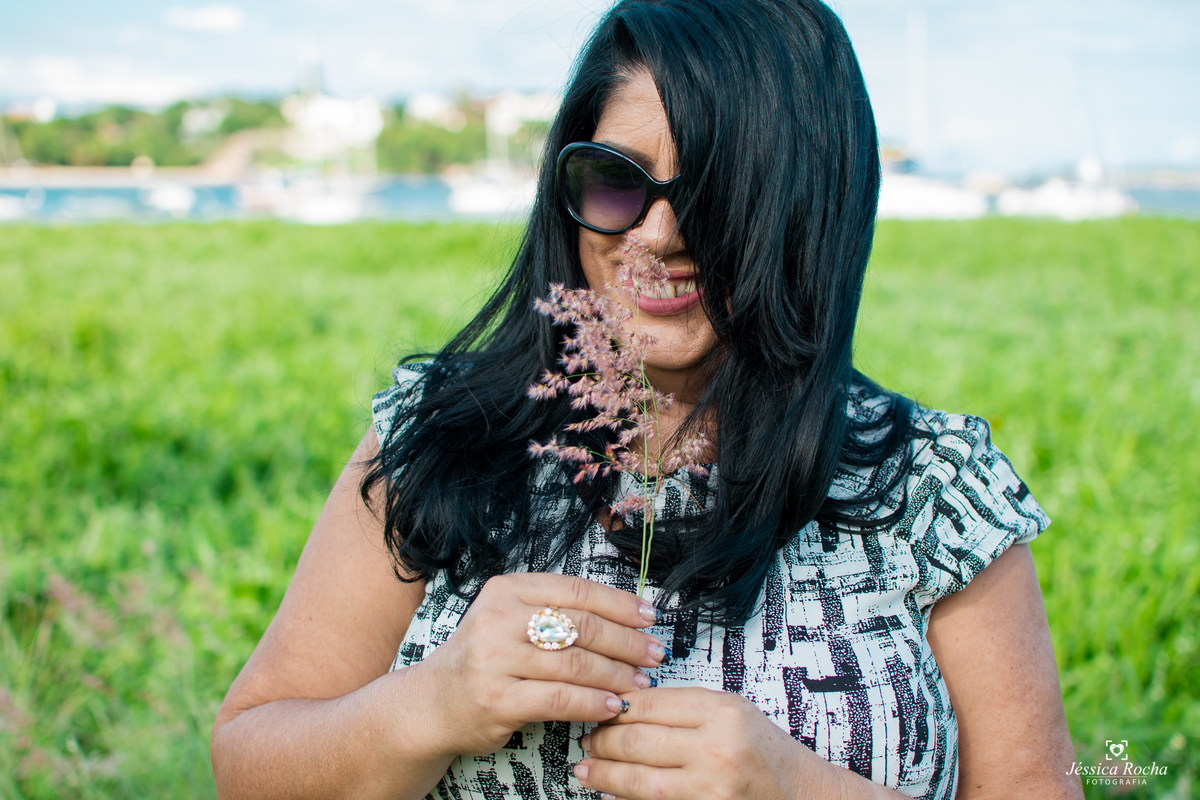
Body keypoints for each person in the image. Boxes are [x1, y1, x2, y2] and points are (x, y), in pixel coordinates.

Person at [210, 1, 1083, 798]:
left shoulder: (927, 485)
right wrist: (430, 703)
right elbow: (248, 763)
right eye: (615, 180)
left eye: (711, 192)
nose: (655, 235)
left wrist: (799, 789)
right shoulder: (442, 434)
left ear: (806, 210)